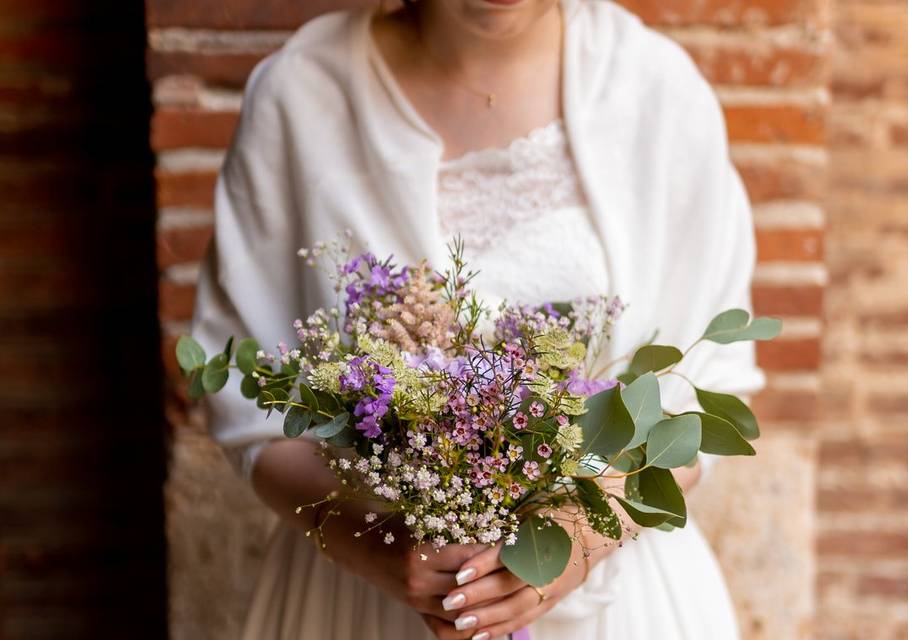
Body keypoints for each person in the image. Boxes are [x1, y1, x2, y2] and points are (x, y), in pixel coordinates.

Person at [190, 0, 767, 637]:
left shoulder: (656, 90)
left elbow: (703, 398)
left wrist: (579, 535)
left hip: (614, 599)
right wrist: (378, 549)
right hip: (362, 606)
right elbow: (250, 413)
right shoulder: (300, 96)